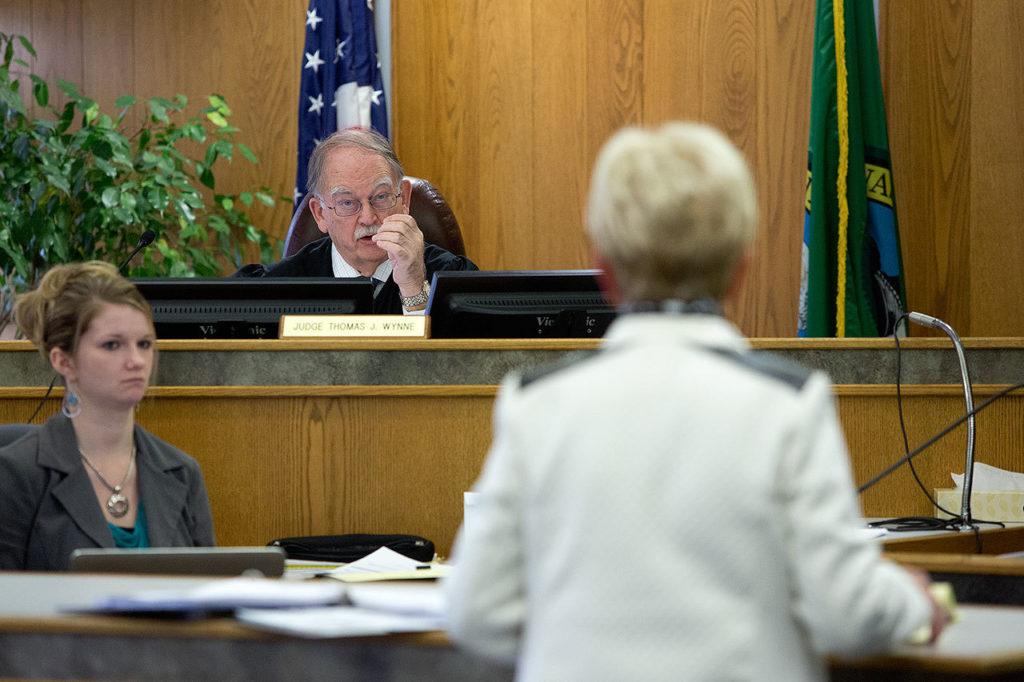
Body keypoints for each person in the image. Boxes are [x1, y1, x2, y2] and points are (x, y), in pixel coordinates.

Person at [444, 123, 948, 680]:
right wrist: (912, 602)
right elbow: (847, 618)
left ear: (604, 272)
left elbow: (476, 614)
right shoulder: (787, 404)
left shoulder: (536, 405)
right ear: (740, 270)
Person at [0, 262, 215, 570]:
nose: (136, 361)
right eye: (112, 345)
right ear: (64, 361)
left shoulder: (182, 472)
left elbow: (207, 596)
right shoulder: (15, 473)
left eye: (144, 344)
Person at [235, 128, 477, 313]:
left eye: (381, 197)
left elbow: (463, 369)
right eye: (348, 203)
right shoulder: (279, 289)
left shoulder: (454, 279)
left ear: (403, 198)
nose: (368, 217)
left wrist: (413, 287)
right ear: (320, 214)